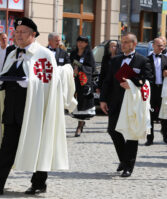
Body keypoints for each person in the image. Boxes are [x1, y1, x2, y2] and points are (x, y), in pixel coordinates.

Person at [0, 17, 76, 195]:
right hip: (12, 108)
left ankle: (39, 183)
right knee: (6, 148)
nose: (18, 35)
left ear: (33, 34)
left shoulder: (44, 54)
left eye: (23, 32)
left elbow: (49, 81)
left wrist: (30, 83)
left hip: (34, 110)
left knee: (40, 144)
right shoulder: (12, 52)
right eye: (16, 32)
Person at [100, 33, 152, 177]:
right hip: (116, 101)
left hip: (133, 103)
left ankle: (128, 166)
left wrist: (132, 83)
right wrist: (103, 100)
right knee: (113, 130)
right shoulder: (115, 60)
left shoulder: (143, 60)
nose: (122, 45)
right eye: (121, 42)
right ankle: (124, 159)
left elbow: (147, 79)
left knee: (131, 134)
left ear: (134, 44)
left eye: (126, 42)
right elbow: (107, 81)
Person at [145, 38, 167, 146]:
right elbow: (145, 74)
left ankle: (165, 134)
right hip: (152, 90)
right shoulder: (146, 59)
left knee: (164, 113)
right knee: (149, 114)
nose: (161, 47)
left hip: (163, 89)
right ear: (153, 46)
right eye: (159, 45)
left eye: (162, 46)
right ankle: (149, 138)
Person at [70, 36, 96, 137]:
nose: (80, 44)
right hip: (73, 81)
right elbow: (68, 64)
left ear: (86, 43)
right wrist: (72, 70)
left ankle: (79, 126)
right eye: (78, 41)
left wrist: (80, 70)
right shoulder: (73, 53)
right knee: (75, 104)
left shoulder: (89, 54)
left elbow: (92, 68)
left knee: (83, 104)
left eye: (82, 42)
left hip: (84, 83)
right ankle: (80, 123)